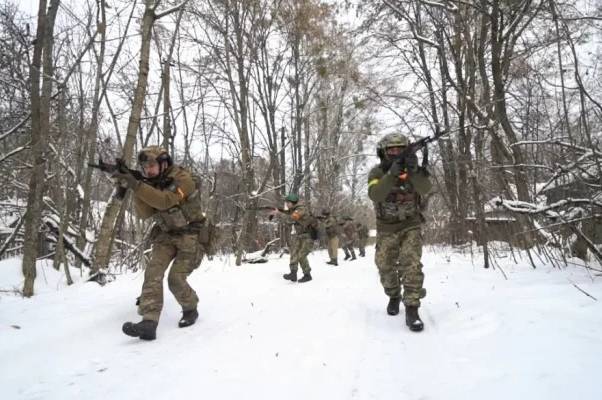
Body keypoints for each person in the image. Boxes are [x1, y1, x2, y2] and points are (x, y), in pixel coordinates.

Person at [113, 146, 208, 341]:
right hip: (166, 235)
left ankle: (190, 308)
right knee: (153, 272)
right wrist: (134, 185)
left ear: (164, 163)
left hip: (192, 236)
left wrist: (138, 185)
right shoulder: (150, 183)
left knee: (176, 279)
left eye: (152, 165)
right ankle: (149, 321)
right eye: (145, 167)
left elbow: (165, 201)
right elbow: (144, 213)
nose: (148, 170)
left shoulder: (183, 179)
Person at [367, 133, 432, 332]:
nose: (395, 152)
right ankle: (394, 295)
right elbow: (375, 194)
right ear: (384, 152)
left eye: (399, 148)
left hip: (411, 224)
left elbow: (426, 188)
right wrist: (391, 175)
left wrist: (413, 172)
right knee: (384, 265)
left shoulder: (413, 169)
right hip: (387, 227)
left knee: (411, 263)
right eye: (391, 149)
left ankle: (412, 307)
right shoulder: (377, 172)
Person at [271, 194, 314, 283]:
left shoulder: (300, 209)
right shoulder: (294, 209)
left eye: (288, 203)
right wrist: (279, 210)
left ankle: (307, 275)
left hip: (308, 236)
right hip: (300, 235)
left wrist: (279, 213)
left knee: (301, 255)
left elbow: (291, 219)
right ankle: (293, 273)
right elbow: (288, 213)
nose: (287, 204)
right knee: (294, 252)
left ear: (292, 202)